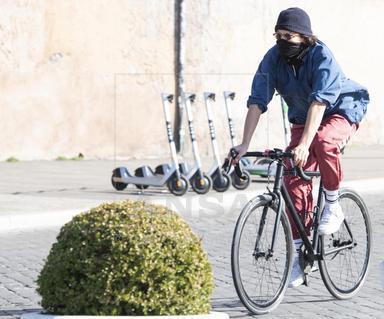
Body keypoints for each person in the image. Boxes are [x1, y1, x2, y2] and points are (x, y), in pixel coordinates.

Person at [230, 7, 370, 287]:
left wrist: (305, 144)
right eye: (278, 35)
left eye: (289, 36)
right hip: (302, 118)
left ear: (304, 38)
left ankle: (332, 203)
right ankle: (300, 254)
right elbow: (257, 101)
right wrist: (244, 144)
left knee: (322, 141)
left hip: (339, 110)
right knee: (292, 176)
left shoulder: (322, 56)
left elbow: (320, 103)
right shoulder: (272, 59)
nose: (283, 41)